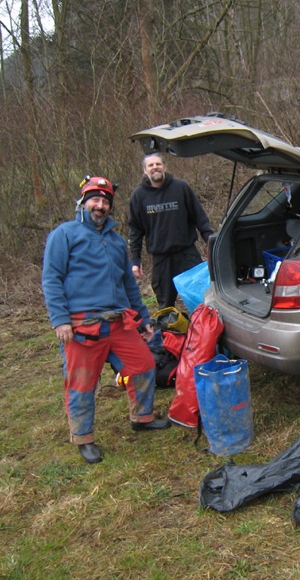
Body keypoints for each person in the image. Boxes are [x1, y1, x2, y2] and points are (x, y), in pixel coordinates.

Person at [42, 177, 170, 464]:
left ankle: (142, 418)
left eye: (105, 201)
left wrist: (143, 320)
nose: (100, 206)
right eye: (95, 200)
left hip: (119, 322)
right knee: (82, 383)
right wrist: (61, 320)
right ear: (84, 202)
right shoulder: (64, 234)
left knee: (144, 365)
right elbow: (51, 279)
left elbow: (128, 284)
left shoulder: (115, 241)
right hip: (82, 325)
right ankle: (83, 437)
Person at [128, 153, 213, 310]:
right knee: (165, 305)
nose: (155, 167)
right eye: (151, 165)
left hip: (187, 254)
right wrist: (135, 260)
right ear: (144, 171)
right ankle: (169, 333)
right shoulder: (139, 195)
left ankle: (204, 330)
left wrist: (211, 241)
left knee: (201, 299)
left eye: (158, 164)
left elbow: (199, 217)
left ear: (164, 167)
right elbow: (135, 230)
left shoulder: (180, 187)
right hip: (161, 258)